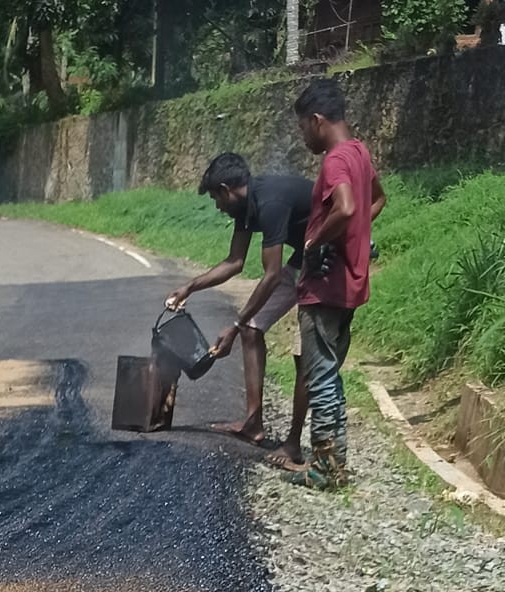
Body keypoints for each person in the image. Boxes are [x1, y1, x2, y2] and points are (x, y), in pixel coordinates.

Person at [275, 76, 386, 490]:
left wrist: (314, 240)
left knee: (319, 377)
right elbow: (375, 200)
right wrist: (356, 233)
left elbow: (347, 206)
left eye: (303, 126)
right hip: (349, 286)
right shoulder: (360, 153)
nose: (303, 135)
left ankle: (323, 469)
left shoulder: (336, 159)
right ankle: (335, 463)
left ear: (318, 121)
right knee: (331, 375)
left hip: (324, 288)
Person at [164, 151, 312, 448]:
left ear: (225, 191)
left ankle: (298, 442)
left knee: (302, 349)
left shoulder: (270, 203)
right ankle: (253, 423)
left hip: (329, 256)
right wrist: (189, 287)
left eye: (216, 200)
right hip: (305, 256)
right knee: (251, 328)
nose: (218, 208)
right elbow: (234, 262)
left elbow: (271, 275)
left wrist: (234, 323)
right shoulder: (245, 206)